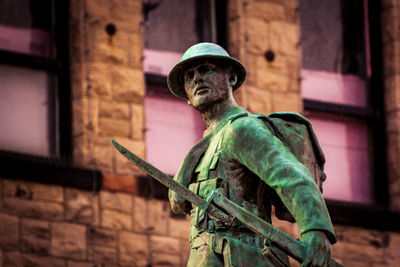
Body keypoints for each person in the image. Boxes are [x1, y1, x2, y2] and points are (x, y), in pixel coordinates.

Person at [168, 42, 336, 267]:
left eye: (205, 69)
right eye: (189, 76)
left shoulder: (240, 129)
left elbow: (290, 175)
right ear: (187, 97)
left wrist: (316, 229)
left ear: (231, 78)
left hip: (242, 257)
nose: (197, 79)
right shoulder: (205, 147)